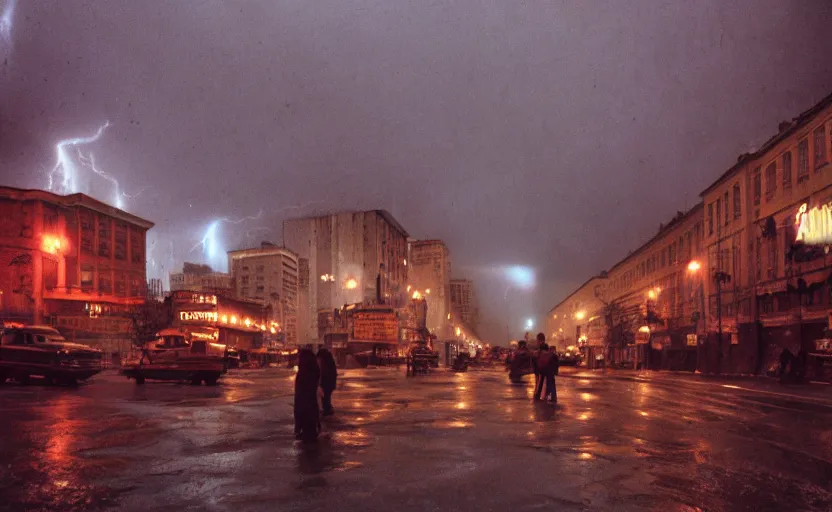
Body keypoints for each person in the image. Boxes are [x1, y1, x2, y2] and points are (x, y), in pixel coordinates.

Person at [294, 348, 321, 442]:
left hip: (305, 409)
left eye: (299, 357)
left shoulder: (302, 374)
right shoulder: (314, 371)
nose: (297, 360)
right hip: (312, 408)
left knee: (307, 443)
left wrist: (297, 425)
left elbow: (299, 397)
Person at [317, 347, 338, 416]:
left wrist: (319, 383)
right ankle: (328, 409)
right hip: (330, 383)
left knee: (325, 397)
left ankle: (327, 410)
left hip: (326, 383)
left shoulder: (323, 362)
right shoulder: (330, 361)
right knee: (327, 397)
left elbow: (321, 373)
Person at [533, 333, 547, 400]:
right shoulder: (543, 347)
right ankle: (538, 393)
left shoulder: (543, 347)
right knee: (539, 381)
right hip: (540, 368)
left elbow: (540, 355)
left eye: (537, 340)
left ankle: (538, 394)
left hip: (541, 368)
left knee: (539, 381)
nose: (536, 341)